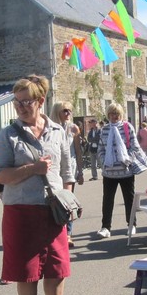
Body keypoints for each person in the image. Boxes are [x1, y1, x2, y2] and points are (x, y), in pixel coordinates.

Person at [0, 75, 83, 295]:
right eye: (17, 102)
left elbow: (67, 171)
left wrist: (67, 201)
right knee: (27, 269)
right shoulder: (8, 135)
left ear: (40, 101)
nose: (20, 107)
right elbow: (0, 175)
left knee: (57, 265)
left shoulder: (57, 131)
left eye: (26, 102)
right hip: (21, 210)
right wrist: (33, 168)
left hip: (53, 210)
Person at [97, 103, 145, 238]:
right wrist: (104, 162)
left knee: (129, 199)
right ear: (108, 115)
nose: (115, 116)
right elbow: (101, 149)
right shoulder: (104, 130)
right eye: (112, 113)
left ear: (121, 114)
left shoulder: (127, 127)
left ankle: (131, 225)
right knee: (107, 200)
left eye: (117, 113)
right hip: (109, 173)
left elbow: (135, 147)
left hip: (126, 171)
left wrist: (128, 159)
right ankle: (105, 227)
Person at [50, 101, 84, 248]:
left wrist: (81, 172)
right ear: (57, 112)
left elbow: (78, 151)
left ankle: (68, 234)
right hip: (55, 171)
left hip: (70, 169)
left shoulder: (73, 128)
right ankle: (57, 233)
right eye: (64, 110)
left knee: (68, 202)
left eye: (69, 110)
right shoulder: (51, 128)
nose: (68, 113)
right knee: (55, 202)